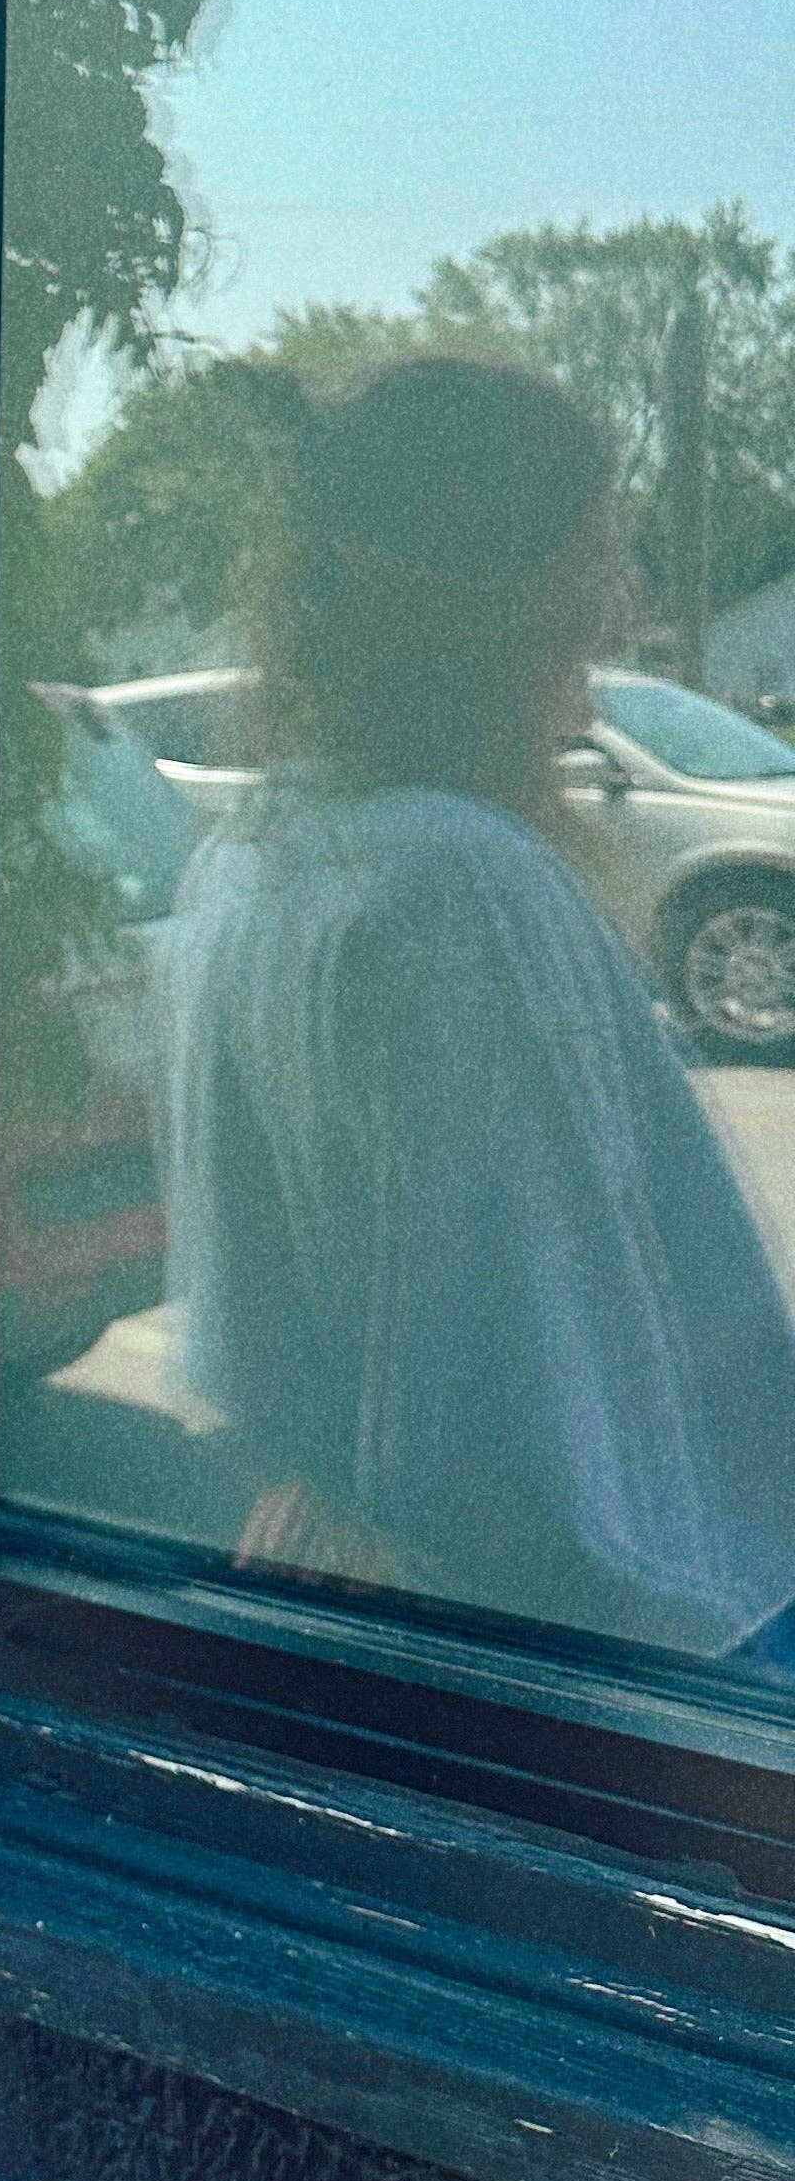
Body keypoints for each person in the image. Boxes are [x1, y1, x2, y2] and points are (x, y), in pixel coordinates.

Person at [159, 352, 795, 1658]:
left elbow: (244, 1348)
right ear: (496, 598)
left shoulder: (254, 853)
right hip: (628, 1671)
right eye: (599, 552)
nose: (624, 611)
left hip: (420, 1635)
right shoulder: (458, 888)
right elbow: (538, 1432)